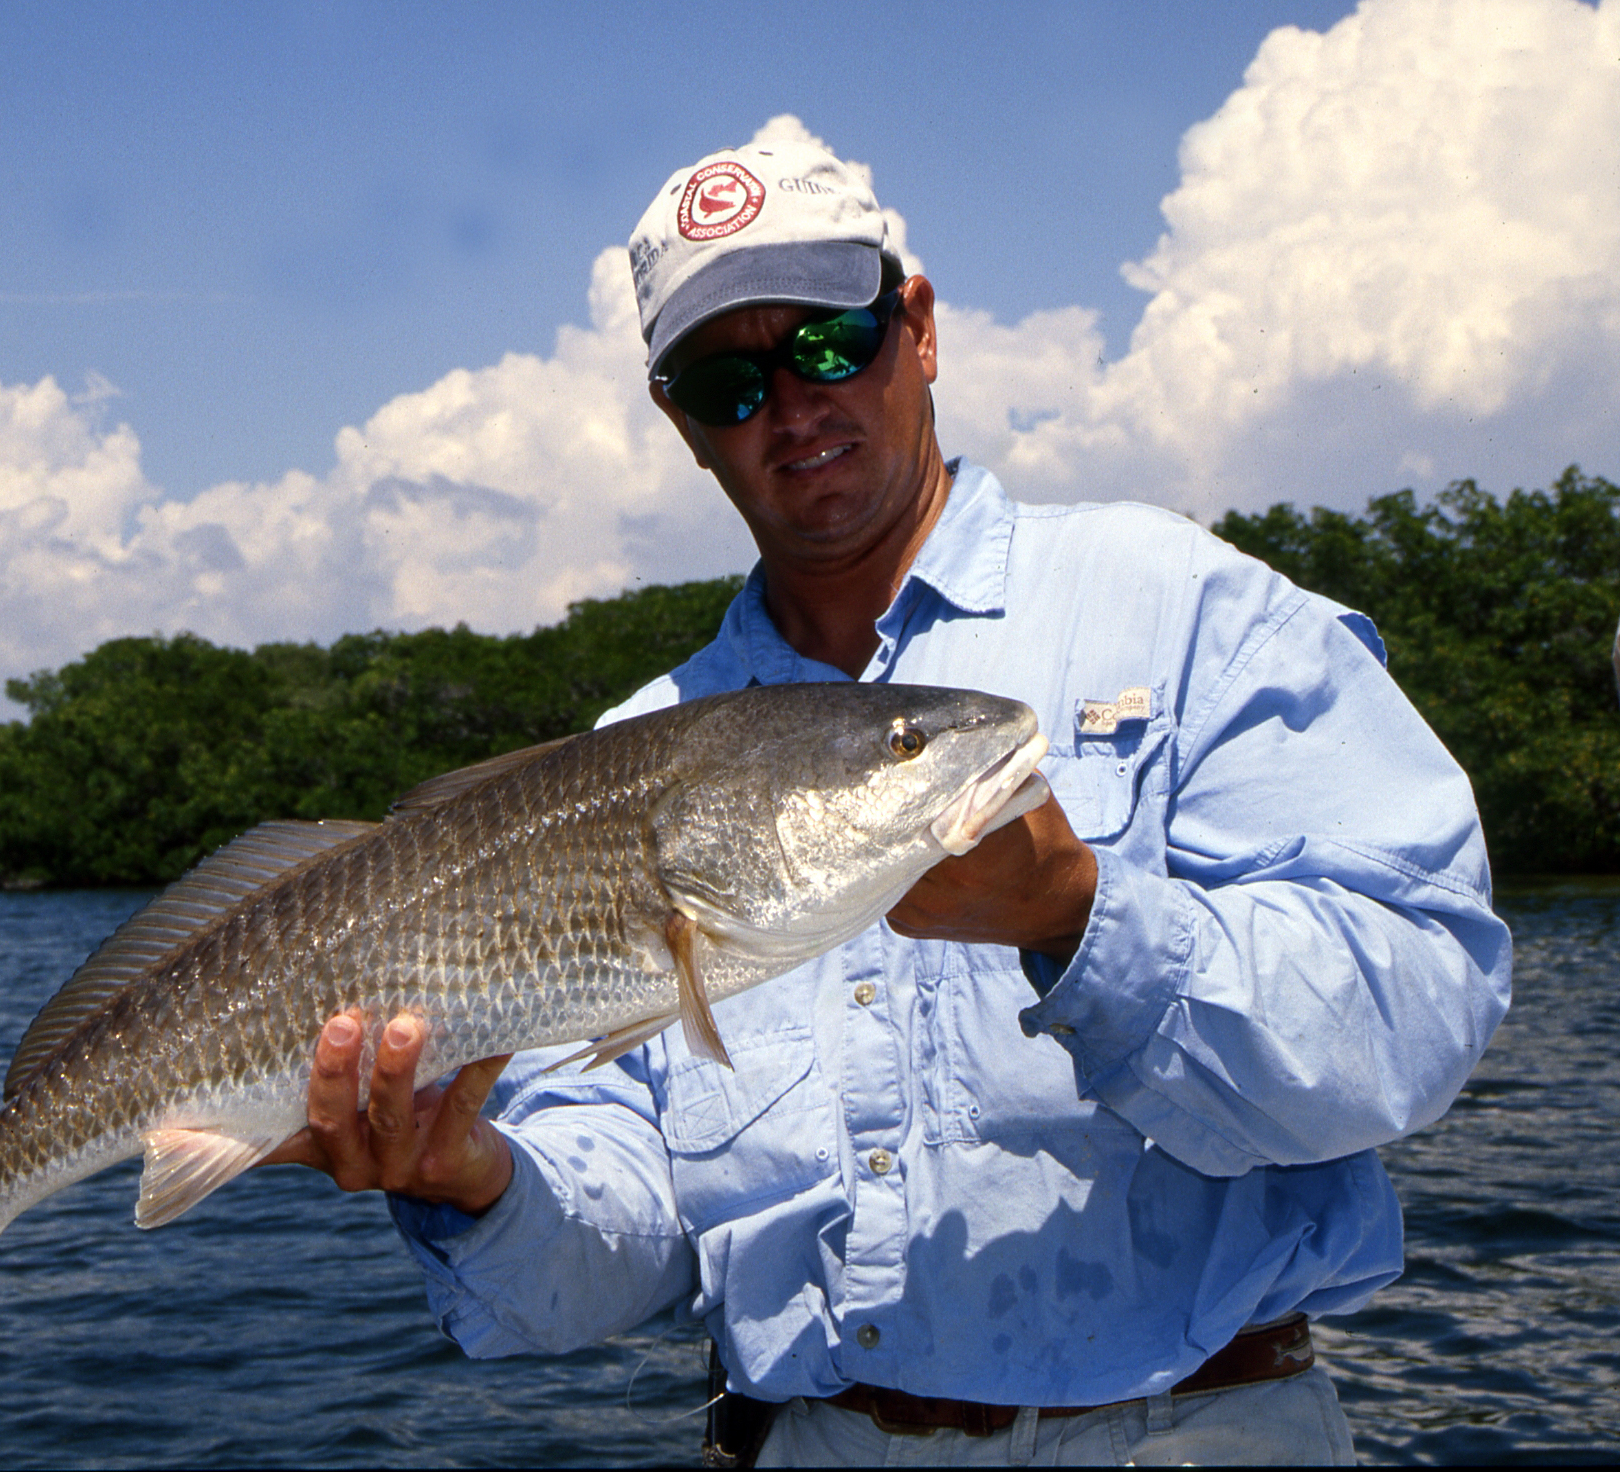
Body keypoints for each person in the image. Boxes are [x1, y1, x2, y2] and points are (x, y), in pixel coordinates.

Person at [265, 137, 1511, 1465]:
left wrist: (1081, 919)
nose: (791, 408)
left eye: (826, 345)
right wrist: (476, 1186)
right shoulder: (627, 759)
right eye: (728, 381)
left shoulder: (1179, 605)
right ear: (681, 423)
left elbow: (1426, 1006)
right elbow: (614, 1250)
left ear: (916, 329)